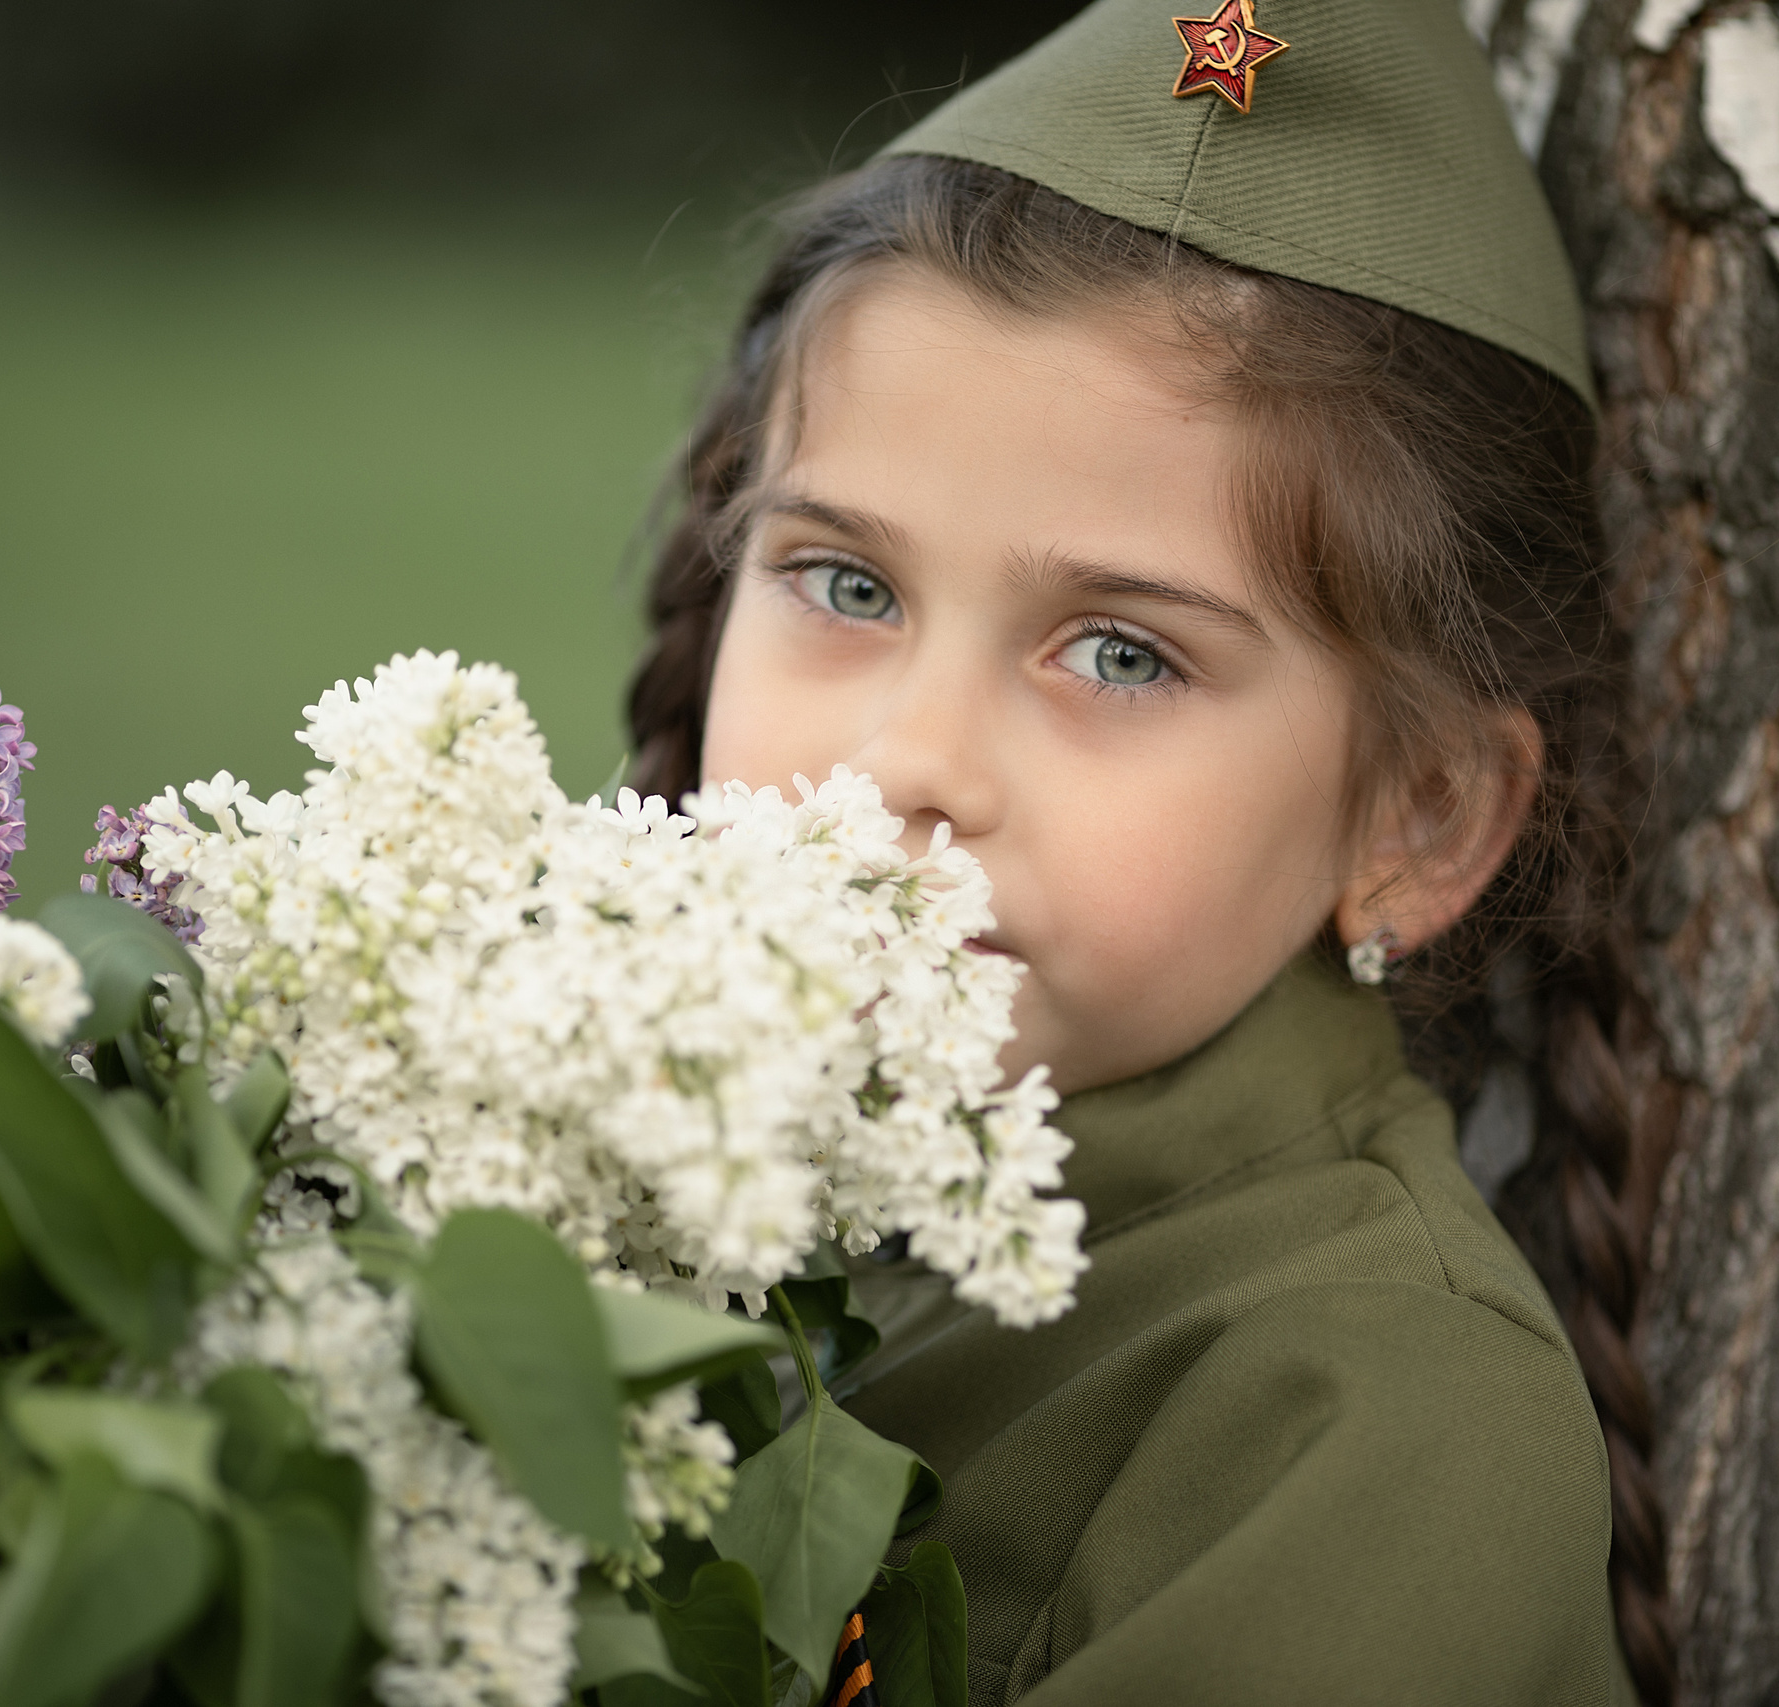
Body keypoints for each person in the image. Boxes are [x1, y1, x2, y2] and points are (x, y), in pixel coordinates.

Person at [622, 0, 1668, 1701]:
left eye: (1122, 654)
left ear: (1418, 819)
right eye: (848, 584)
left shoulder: (1366, 1428)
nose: (914, 763)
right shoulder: (557, 1128)